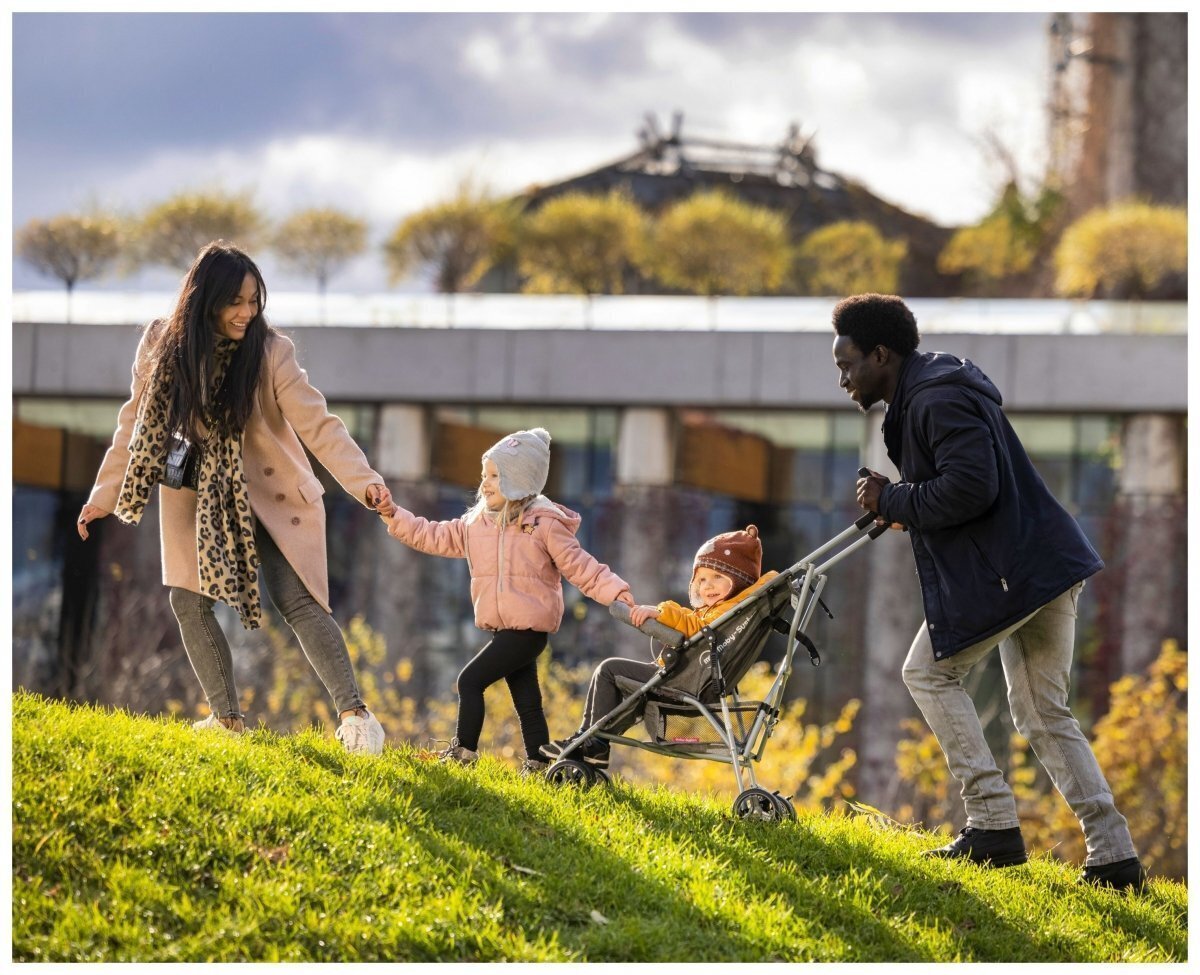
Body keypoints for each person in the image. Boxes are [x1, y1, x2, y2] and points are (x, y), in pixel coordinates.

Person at [830, 292, 1145, 891]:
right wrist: (897, 502)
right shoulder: (936, 388)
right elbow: (962, 487)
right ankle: (1114, 857)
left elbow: (972, 487)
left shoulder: (935, 396)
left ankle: (993, 825)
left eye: (848, 365)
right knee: (1044, 713)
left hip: (1013, 575)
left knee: (927, 674)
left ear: (881, 354)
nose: (843, 379)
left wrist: (894, 499)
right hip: (1043, 565)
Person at [78, 240, 394, 755]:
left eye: (254, 301)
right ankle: (226, 719)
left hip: (271, 493)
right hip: (199, 494)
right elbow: (134, 424)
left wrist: (364, 481)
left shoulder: (271, 352)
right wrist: (104, 494)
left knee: (297, 600)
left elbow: (319, 424)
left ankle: (357, 719)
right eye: (236, 302)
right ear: (206, 300)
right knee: (187, 599)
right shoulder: (162, 346)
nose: (248, 313)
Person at [384, 427, 634, 775]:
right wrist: (393, 516)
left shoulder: (544, 524)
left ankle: (464, 752)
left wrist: (617, 594)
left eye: (495, 476)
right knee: (527, 702)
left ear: (519, 481)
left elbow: (581, 567)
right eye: (484, 475)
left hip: (528, 632)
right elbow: (431, 535)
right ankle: (540, 762)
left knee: (469, 682)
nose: (485, 483)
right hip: (503, 630)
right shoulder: (476, 525)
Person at [541, 524, 776, 770]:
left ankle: (592, 741)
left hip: (684, 680)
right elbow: (695, 621)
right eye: (702, 579)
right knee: (629, 687)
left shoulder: (728, 611)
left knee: (609, 670)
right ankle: (589, 741)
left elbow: (694, 625)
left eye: (718, 577)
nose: (708, 586)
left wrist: (660, 612)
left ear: (739, 581)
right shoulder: (731, 611)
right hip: (690, 677)